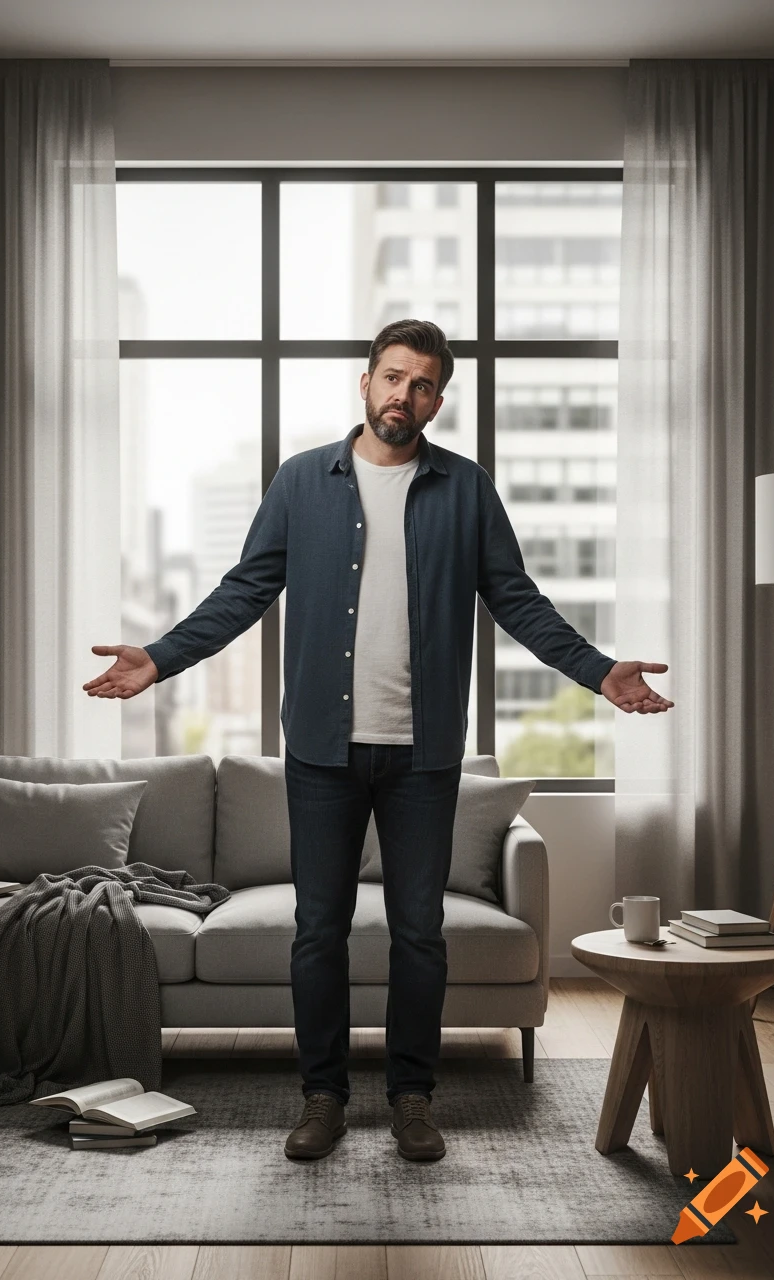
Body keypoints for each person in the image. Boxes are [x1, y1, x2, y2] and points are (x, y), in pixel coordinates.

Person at [83, 318, 674, 1163]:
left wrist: (599, 670)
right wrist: (162, 657)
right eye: (393, 378)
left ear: (439, 398)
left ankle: (412, 1098)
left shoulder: (466, 489)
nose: (406, 395)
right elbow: (242, 590)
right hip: (323, 752)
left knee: (418, 934)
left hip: (424, 754)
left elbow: (519, 600)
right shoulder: (300, 483)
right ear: (366, 383)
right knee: (317, 932)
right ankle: (322, 1095)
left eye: (424, 384)